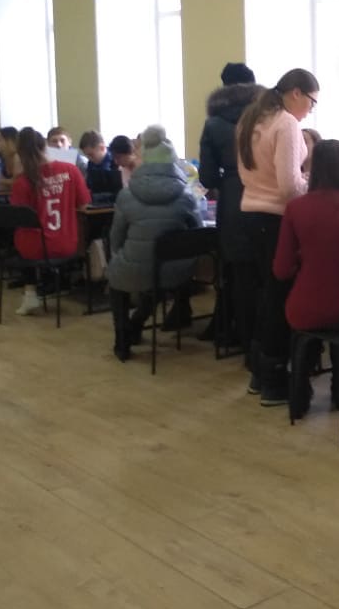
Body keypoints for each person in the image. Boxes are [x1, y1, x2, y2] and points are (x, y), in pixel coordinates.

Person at [273, 140, 339, 414]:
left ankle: (300, 390)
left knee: (312, 330)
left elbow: (281, 269)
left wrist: (305, 262)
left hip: (303, 307)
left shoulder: (295, 208)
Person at [235, 67, 319, 405]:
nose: (310, 110)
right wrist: (315, 183)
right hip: (275, 219)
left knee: (265, 295)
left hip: (250, 214)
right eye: (311, 102)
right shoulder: (286, 123)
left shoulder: (251, 119)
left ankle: (259, 374)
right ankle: (274, 382)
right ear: (296, 93)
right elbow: (289, 187)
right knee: (279, 298)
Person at [106, 126, 204, 360]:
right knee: (160, 272)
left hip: (134, 267)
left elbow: (116, 238)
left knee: (121, 279)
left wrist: (120, 256)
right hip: (175, 272)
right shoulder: (187, 196)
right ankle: (138, 322)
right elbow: (197, 234)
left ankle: (122, 340)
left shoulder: (126, 196)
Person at [197, 63, 262, 346]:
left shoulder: (214, 124)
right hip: (267, 196)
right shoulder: (268, 117)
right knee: (263, 272)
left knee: (236, 272)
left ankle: (239, 336)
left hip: (234, 200)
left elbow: (208, 177)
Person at [9, 127, 91, 316]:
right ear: (45, 146)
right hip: (68, 242)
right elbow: (84, 204)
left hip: (36, 248)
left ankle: (30, 293)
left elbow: (17, 215)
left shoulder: (23, 181)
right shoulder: (71, 170)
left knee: (21, 235)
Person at [80, 130, 122, 200]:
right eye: (86, 155)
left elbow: (118, 193)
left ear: (102, 148)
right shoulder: (91, 163)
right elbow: (89, 186)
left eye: (91, 155)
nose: (89, 158)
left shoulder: (117, 162)